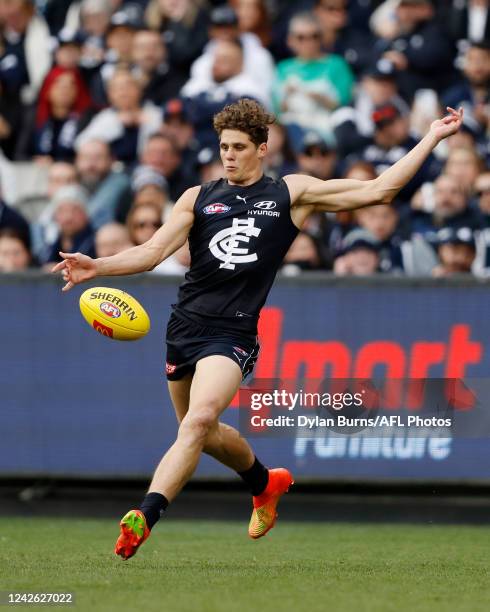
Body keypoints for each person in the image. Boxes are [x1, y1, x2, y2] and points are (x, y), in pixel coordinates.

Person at [52, 98, 464, 560]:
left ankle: (144, 515)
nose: (228, 155)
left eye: (238, 147)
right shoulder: (198, 197)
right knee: (200, 434)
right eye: (223, 146)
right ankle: (265, 484)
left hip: (233, 335)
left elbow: (380, 190)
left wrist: (431, 135)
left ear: (262, 148)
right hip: (183, 327)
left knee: (200, 419)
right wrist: (97, 265)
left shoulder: (292, 193)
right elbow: (151, 252)